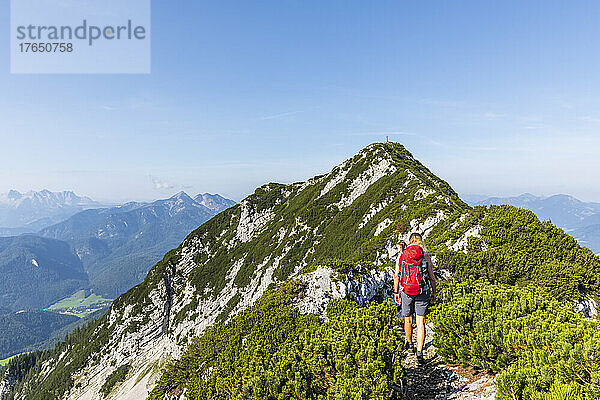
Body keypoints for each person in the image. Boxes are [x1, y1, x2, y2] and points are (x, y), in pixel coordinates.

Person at [394, 232, 437, 364]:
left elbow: (396, 276)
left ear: (409, 241)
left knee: (407, 320)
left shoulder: (402, 255)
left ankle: (410, 345)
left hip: (406, 292)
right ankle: (419, 353)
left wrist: (396, 292)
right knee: (420, 323)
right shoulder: (425, 256)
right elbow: (431, 277)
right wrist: (434, 292)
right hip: (422, 291)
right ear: (420, 242)